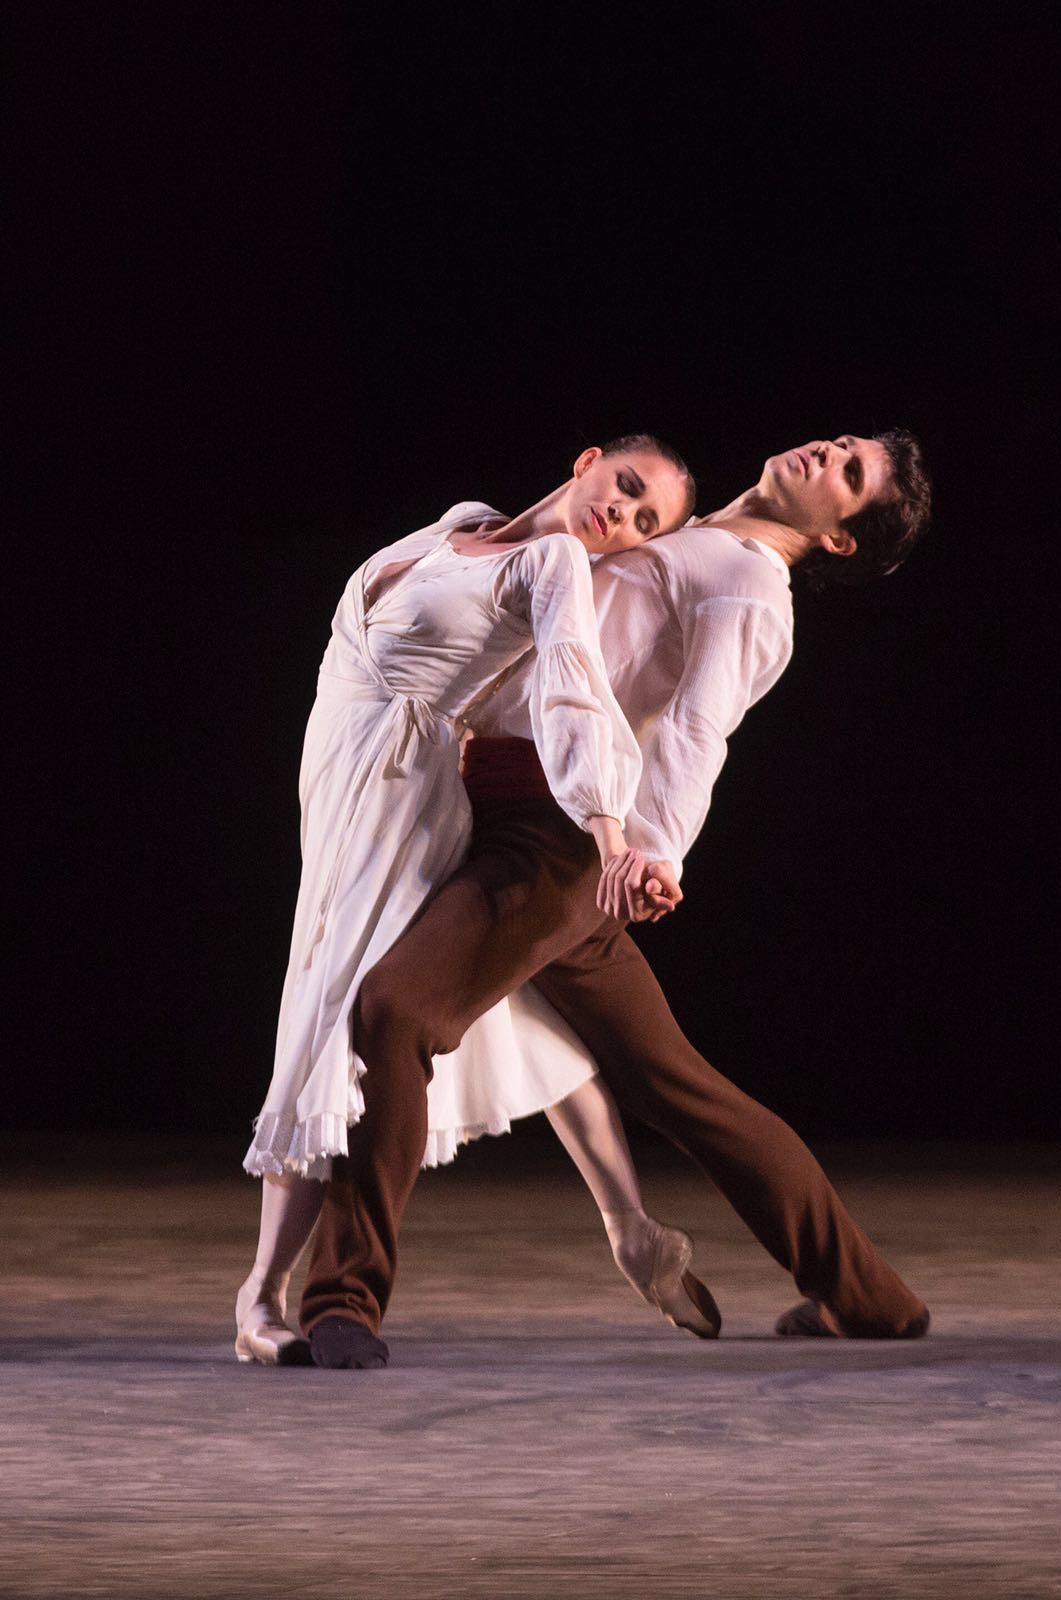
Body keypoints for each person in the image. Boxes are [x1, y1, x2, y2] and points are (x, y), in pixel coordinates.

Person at [296, 431, 935, 1369]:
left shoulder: (748, 583)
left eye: (849, 472)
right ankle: (869, 1299)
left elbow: (699, 727)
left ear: (839, 537)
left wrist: (654, 849)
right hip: (505, 810)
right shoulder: (698, 534)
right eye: (840, 441)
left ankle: (342, 1300)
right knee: (677, 1086)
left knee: (394, 1011)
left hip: (558, 845)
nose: (824, 453)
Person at [234, 435, 699, 1364]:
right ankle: (628, 1224)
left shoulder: (553, 564)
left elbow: (575, 691)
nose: (622, 514)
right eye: (626, 487)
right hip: (339, 777)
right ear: (588, 462)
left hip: (399, 802)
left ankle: (263, 1297)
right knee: (507, 1015)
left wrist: (612, 834)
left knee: (329, 1009)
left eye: (644, 522)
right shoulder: (460, 522)